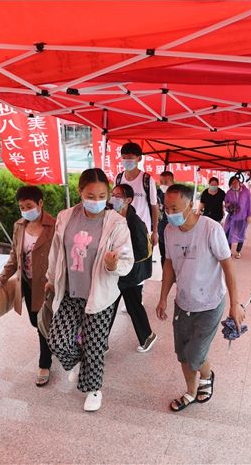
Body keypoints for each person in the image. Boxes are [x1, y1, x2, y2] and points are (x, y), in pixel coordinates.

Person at [46, 168, 133, 412]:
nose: (97, 201)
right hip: (70, 290)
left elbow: (127, 260)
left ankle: (94, 389)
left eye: (102, 196)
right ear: (80, 192)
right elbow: (56, 251)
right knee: (57, 341)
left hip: (100, 295)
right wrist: (51, 278)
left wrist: (114, 264)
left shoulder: (116, 223)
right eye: (91, 195)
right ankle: (76, 363)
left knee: (94, 346)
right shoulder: (65, 217)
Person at [155, 184, 245, 412]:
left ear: (190, 206)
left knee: (195, 355)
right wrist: (163, 297)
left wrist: (235, 305)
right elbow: (168, 264)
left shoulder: (211, 229)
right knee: (183, 354)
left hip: (210, 303)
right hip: (183, 302)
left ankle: (204, 377)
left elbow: (228, 266)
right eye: (166, 207)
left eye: (174, 207)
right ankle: (191, 390)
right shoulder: (168, 230)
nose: (169, 212)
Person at [0, 186, 56, 387]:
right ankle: (57, 343)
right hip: (28, 283)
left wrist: (56, 280)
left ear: (40, 203)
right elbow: (15, 254)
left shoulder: (54, 226)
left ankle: (44, 364)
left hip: (49, 286)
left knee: (42, 324)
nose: (25, 210)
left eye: (29, 206)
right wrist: (4, 275)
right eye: (22, 207)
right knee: (35, 322)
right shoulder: (19, 226)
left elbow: (62, 258)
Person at [108, 184, 158, 352]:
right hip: (116, 271)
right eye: (112, 194)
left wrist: (124, 257)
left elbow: (143, 250)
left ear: (128, 200)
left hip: (130, 274)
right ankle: (100, 341)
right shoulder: (111, 216)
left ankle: (148, 336)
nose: (113, 198)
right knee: (109, 304)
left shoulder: (135, 222)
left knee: (133, 306)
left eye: (118, 196)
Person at [115, 142, 159, 248]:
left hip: (142, 230)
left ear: (139, 159)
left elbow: (154, 207)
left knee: (141, 262)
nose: (126, 161)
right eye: (124, 158)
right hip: (122, 228)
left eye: (130, 158)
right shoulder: (119, 178)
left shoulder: (147, 180)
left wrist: (155, 232)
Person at [223, 176, 251, 259]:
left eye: (236, 182)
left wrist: (250, 215)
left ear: (239, 182)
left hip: (242, 217)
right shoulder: (229, 193)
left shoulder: (246, 192)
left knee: (241, 234)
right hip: (232, 217)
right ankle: (228, 251)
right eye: (232, 182)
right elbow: (226, 203)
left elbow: (250, 204)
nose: (234, 184)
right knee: (227, 233)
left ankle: (238, 251)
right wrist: (227, 206)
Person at [157, 170, 175, 266]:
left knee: (175, 256)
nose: (163, 185)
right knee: (164, 255)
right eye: (161, 182)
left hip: (175, 229)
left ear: (172, 182)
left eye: (166, 182)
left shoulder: (178, 194)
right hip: (162, 229)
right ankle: (165, 277)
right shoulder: (158, 194)